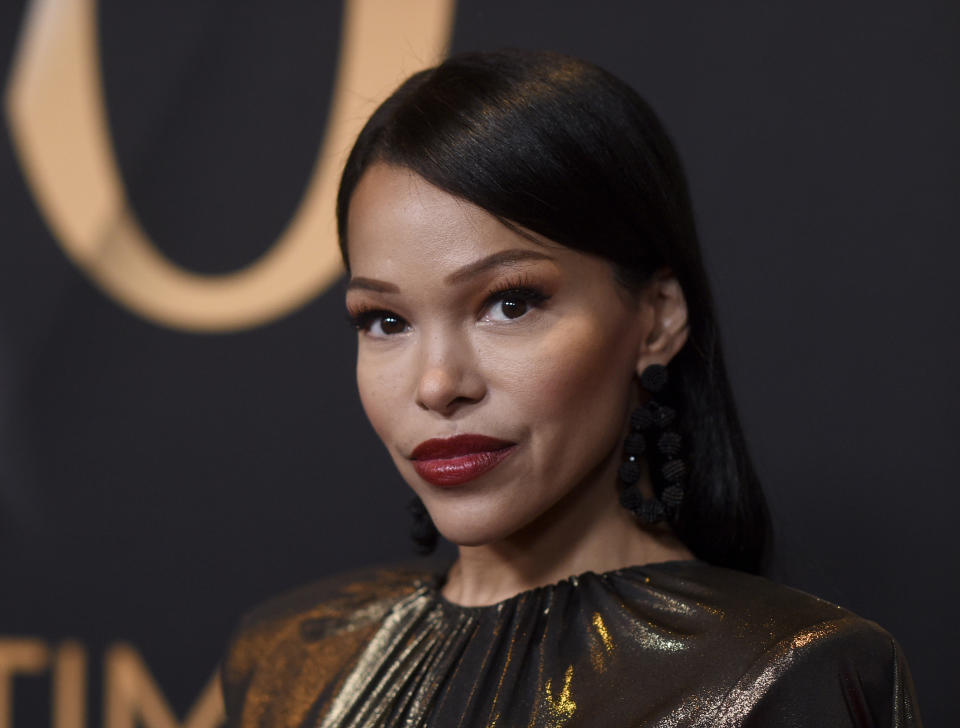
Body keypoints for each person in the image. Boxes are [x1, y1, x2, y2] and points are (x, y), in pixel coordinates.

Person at [221, 49, 922, 727]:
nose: (437, 385)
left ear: (657, 317)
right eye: (385, 320)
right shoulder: (289, 658)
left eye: (510, 303)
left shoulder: (781, 674)